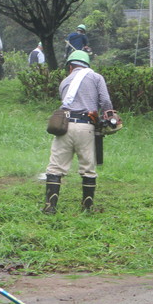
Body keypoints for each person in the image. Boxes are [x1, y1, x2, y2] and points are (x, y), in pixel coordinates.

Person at [42, 50, 113, 214]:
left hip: (64, 125)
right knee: (88, 168)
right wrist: (107, 116)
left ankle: (50, 207)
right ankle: (87, 208)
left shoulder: (65, 81)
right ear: (87, 65)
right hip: (85, 127)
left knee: (55, 167)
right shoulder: (96, 77)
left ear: (70, 67)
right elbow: (105, 101)